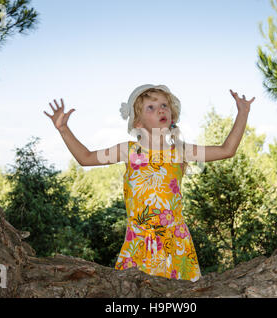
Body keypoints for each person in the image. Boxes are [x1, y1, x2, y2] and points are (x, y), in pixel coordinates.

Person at [44, 84, 255, 282]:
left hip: (176, 244)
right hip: (138, 243)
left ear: (172, 114)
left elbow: (227, 150)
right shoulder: (128, 151)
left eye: (164, 105)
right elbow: (86, 158)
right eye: (151, 107)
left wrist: (243, 113)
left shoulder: (180, 152)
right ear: (138, 122)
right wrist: (63, 129)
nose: (161, 110)